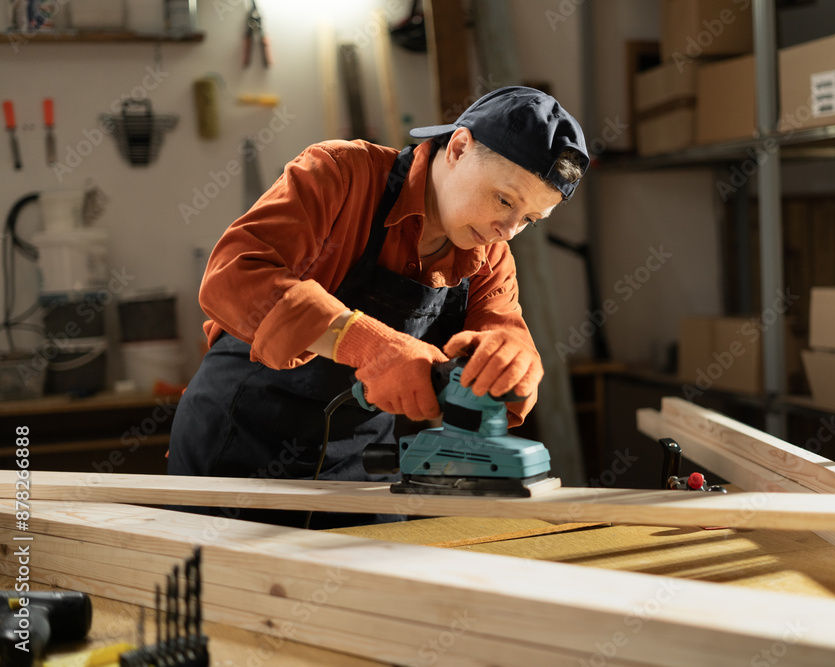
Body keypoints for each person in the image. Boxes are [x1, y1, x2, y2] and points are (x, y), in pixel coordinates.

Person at [166, 86, 589, 528]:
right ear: (459, 148)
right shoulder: (340, 174)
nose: (508, 229)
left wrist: (510, 365)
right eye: (504, 200)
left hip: (360, 460)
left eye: (529, 220)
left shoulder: (490, 254)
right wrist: (368, 346)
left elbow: (504, 330)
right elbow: (233, 276)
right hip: (238, 442)